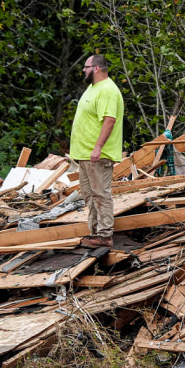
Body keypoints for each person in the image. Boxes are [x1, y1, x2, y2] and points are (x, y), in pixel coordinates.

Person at [70, 54, 124, 248]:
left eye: (86, 67)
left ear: (97, 68)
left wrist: (98, 147)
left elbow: (109, 120)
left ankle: (105, 235)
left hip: (97, 155)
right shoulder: (93, 88)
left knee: (100, 194)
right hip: (85, 155)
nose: (83, 70)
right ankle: (95, 234)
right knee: (90, 195)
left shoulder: (108, 90)